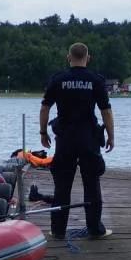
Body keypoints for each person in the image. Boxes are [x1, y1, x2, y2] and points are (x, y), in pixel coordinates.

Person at [39, 42, 115, 239]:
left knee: (62, 186)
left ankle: (57, 230)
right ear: (87, 58)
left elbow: (45, 108)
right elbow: (106, 111)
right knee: (92, 183)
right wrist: (111, 135)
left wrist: (42, 132)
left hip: (65, 138)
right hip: (89, 138)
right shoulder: (95, 80)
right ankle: (95, 229)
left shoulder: (58, 80)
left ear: (68, 57)